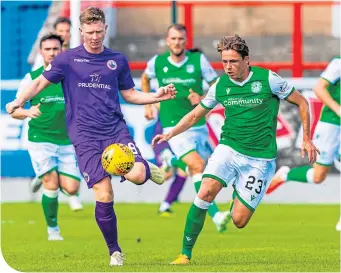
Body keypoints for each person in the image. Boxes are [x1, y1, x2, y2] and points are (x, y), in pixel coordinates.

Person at [6, 7, 176, 266]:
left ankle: (144, 167)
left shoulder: (116, 60)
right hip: (84, 137)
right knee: (104, 194)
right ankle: (114, 251)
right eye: (90, 32)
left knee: (139, 176)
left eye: (99, 31)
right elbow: (40, 83)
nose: (95, 37)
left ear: (105, 30)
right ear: (81, 32)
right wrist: (18, 101)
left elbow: (129, 94)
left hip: (114, 131)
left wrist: (156, 96)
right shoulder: (67, 60)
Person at [152, 34, 320, 264]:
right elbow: (193, 116)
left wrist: (307, 139)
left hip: (260, 160)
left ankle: (236, 198)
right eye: (224, 62)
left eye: (233, 61)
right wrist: (170, 133)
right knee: (205, 192)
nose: (228, 67)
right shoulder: (220, 85)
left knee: (239, 220)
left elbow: (302, 101)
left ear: (246, 60)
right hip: (228, 149)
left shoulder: (268, 79)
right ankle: (185, 253)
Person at [142, 24, 231, 232]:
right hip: (174, 127)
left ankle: (170, 160)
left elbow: (217, 86)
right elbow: (145, 79)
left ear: (186, 40)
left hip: (198, 125)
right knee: (198, 166)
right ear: (167, 41)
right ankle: (216, 216)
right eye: (173, 39)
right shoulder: (158, 62)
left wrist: (200, 98)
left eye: (181, 39)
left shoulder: (198, 60)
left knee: (195, 171)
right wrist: (148, 103)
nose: (177, 42)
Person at [11, 33, 82, 241]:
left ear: (62, 51)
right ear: (41, 52)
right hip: (40, 138)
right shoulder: (31, 79)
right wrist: (27, 112)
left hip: (67, 140)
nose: (52, 53)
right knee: (51, 184)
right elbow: (14, 111)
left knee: (72, 188)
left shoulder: (73, 78)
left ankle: (44, 175)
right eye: (47, 49)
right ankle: (53, 230)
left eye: (55, 49)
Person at [266, 56, 340, 230]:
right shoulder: (338, 63)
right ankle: (285, 175)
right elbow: (319, 88)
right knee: (318, 176)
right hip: (331, 124)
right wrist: (338, 109)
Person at [30, 17, 83, 211]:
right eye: (60, 30)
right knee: (52, 179)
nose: (64, 34)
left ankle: (59, 182)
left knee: (71, 178)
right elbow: (37, 80)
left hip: (69, 121)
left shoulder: (76, 54)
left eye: (67, 31)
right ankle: (47, 175)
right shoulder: (47, 55)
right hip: (48, 114)